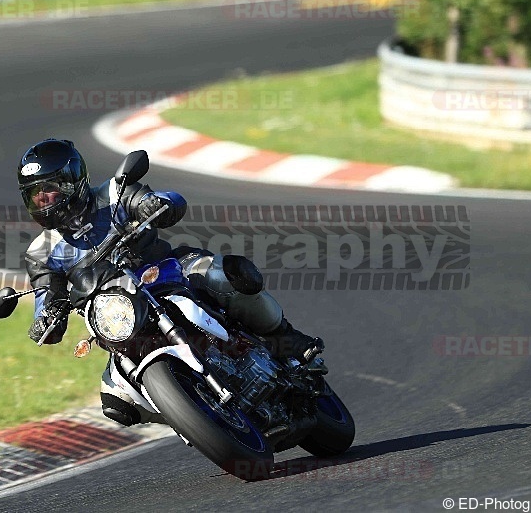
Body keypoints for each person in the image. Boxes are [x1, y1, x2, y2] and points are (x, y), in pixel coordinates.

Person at [19, 139, 323, 424]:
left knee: (223, 275)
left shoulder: (114, 193)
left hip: (167, 272)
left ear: (72, 181)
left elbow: (167, 200)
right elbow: (46, 293)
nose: (44, 201)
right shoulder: (40, 253)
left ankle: (286, 339)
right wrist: (46, 318)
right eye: (35, 195)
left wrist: (155, 203)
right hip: (119, 315)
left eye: (49, 190)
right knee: (117, 403)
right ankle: (192, 410)